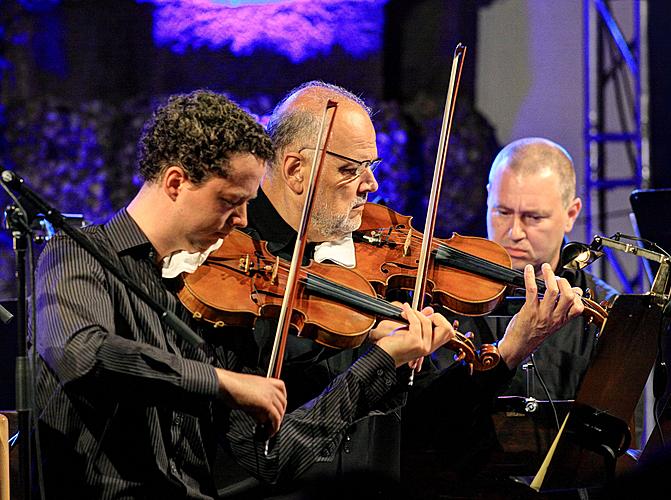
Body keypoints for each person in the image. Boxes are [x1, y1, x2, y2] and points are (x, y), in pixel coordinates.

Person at [32, 89, 458, 500]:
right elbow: (83, 353)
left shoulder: (200, 295)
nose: (241, 221)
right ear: (177, 182)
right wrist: (221, 382)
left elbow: (266, 457)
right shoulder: (77, 254)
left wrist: (380, 364)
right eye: (230, 201)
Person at [215, 83, 587, 499]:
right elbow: (253, 460)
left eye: (370, 166)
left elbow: (431, 431)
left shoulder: (376, 260)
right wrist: (378, 360)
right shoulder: (229, 272)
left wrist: (507, 352)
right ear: (295, 170)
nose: (370, 185)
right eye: (349, 169)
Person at [401, 137, 620, 498]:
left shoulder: (604, 307)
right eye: (502, 212)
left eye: (533, 217)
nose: (514, 233)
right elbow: (427, 427)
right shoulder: (440, 295)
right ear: (488, 197)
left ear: (572, 213)